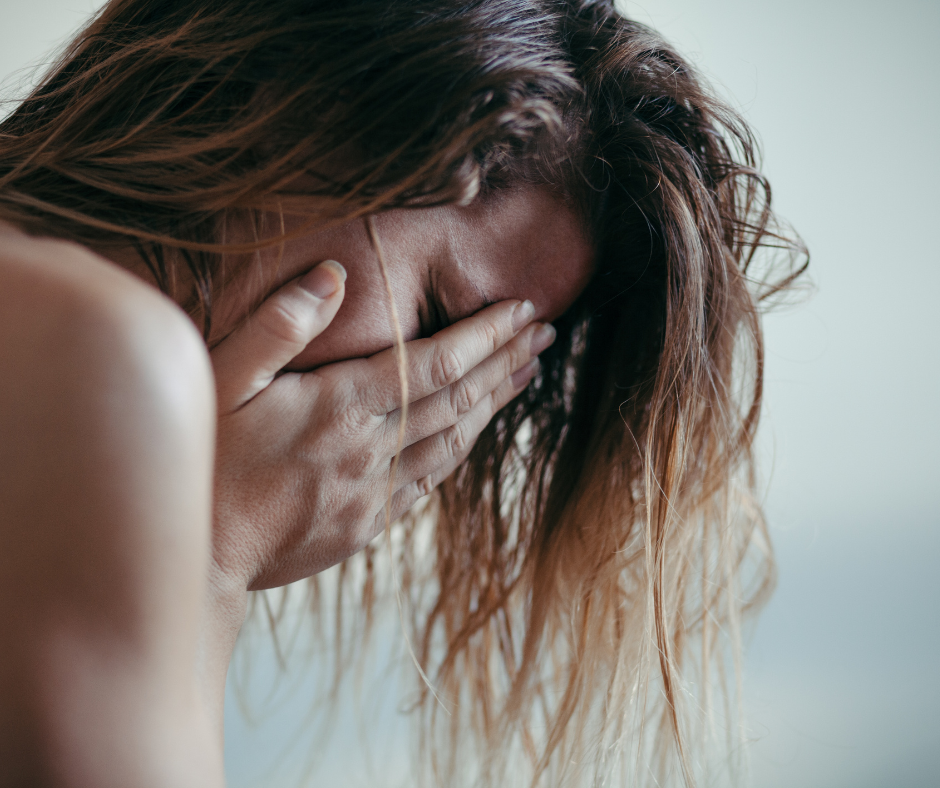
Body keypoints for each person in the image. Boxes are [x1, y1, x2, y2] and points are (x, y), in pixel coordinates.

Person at [0, 1, 804, 786]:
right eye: (435, 319)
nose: (398, 416)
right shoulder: (108, 356)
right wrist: (216, 554)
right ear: (300, 117)